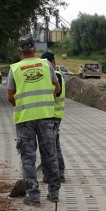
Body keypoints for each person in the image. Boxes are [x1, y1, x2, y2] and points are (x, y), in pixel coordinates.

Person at [6, 37, 61, 205]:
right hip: (45, 116)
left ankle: (34, 196)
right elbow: (57, 89)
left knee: (28, 158)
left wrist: (23, 106)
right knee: (50, 155)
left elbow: (10, 97)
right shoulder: (46, 65)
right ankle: (53, 193)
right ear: (34, 48)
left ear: (19, 50)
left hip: (25, 120)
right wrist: (46, 102)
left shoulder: (15, 69)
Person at [40, 51, 66, 183]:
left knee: (51, 146)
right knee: (55, 144)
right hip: (53, 115)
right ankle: (59, 172)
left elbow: (54, 92)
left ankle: (57, 173)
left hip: (53, 116)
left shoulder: (55, 75)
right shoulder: (54, 75)